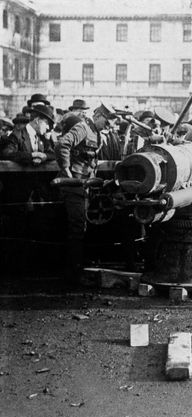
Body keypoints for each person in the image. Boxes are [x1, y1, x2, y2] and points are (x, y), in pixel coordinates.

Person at [55, 103, 118, 283]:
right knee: (77, 228)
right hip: (73, 185)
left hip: (84, 186)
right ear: (97, 115)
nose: (107, 127)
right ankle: (72, 274)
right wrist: (66, 168)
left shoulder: (97, 133)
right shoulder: (83, 128)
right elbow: (62, 145)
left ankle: (76, 270)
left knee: (81, 228)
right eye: (106, 123)